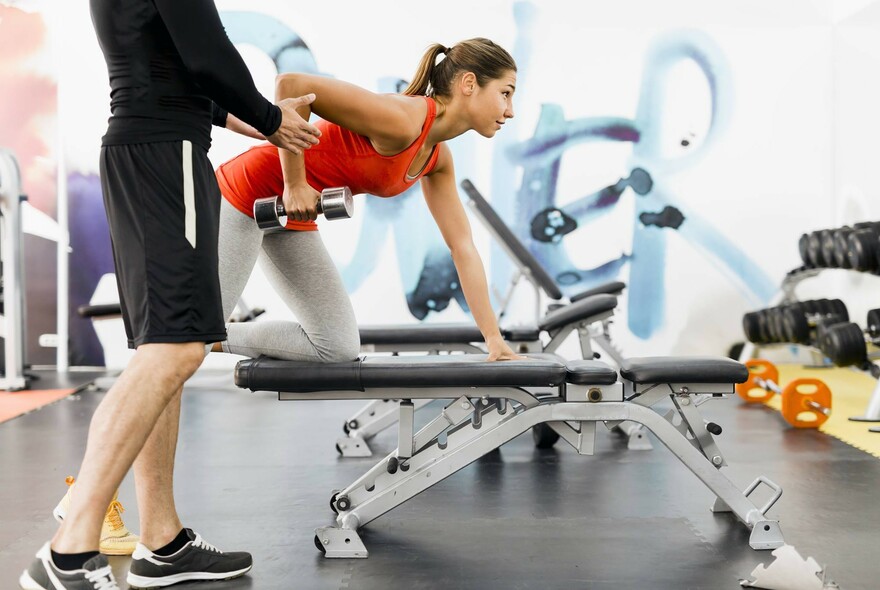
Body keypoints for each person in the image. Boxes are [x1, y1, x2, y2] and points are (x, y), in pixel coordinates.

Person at [19, 1, 320, 589]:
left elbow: (176, 71)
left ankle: (163, 541)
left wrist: (255, 119)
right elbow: (210, 60)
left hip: (148, 150)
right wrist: (271, 119)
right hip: (166, 156)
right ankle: (66, 552)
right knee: (178, 348)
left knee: (164, 349)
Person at [213, 38, 521, 363]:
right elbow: (293, 84)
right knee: (195, 335)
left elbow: (463, 248)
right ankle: (205, 335)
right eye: (506, 93)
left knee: (337, 346)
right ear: (469, 83)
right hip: (244, 193)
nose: (510, 110)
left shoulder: (437, 158)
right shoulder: (404, 119)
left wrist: (494, 341)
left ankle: (218, 338)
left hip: (289, 217)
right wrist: (295, 183)